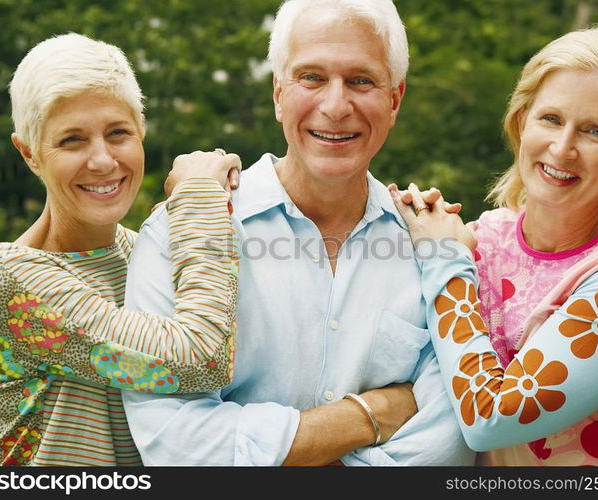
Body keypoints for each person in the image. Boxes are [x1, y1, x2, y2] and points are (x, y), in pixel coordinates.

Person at [122, 0, 473, 466]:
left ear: (394, 100)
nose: (335, 105)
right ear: (278, 95)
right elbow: (174, 442)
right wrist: (369, 415)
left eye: (361, 80)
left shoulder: (431, 244)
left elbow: (448, 442)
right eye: (311, 77)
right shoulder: (180, 232)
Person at [0, 33, 242, 466]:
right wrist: (198, 195)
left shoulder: (143, 252)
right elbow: (201, 358)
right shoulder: (11, 276)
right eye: (72, 140)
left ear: (142, 131)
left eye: (118, 133)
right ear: (29, 153)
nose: (102, 160)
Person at [390, 25, 598, 466]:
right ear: (521, 121)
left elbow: (490, 417)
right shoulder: (488, 235)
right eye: (551, 119)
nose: (563, 147)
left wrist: (442, 257)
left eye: (595, 131)